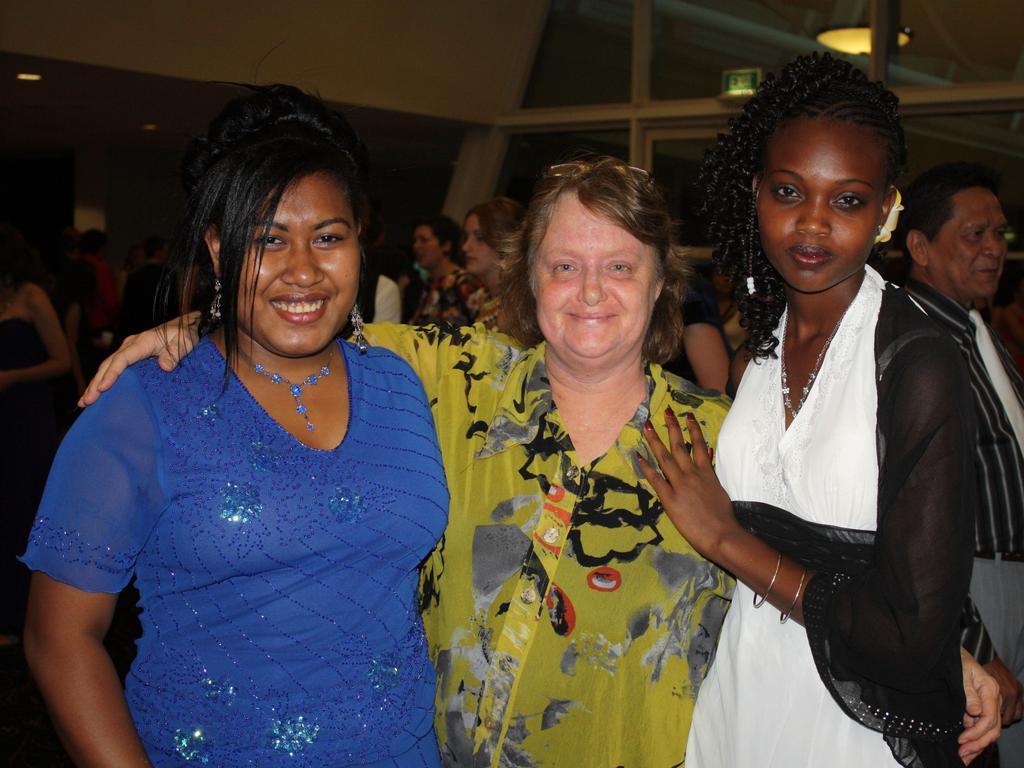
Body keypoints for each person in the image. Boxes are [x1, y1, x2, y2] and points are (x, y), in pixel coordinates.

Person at [82, 155, 1001, 767]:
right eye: (565, 266)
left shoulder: (724, 434)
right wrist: (192, 328)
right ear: (528, 280)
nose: (590, 293)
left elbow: (843, 547)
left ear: (660, 286)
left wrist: (959, 652)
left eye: (621, 268)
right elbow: (304, 315)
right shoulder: (445, 380)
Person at [21, 84, 448, 766]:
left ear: (360, 243)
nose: (303, 270)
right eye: (267, 240)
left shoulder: (401, 382)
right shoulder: (144, 405)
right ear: (218, 249)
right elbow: (58, 638)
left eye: (328, 237)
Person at [639, 54, 991, 767]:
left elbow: (908, 627)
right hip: (742, 695)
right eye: (789, 191)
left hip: (852, 725)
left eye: (848, 200)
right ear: (755, 192)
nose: (811, 224)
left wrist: (726, 539)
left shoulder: (917, 357)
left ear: (888, 211)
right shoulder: (757, 354)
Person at [903, 162, 1024, 760]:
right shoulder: (919, 343)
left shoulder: (979, 332)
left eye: (999, 234)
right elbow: (914, 520)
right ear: (920, 247)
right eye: (974, 234)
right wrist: (972, 635)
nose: (994, 250)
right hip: (971, 584)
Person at [0, 233, 68, 643]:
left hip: (25, 413)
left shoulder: (32, 297)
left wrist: (11, 378)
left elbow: (61, 359)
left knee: (20, 506)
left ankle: (18, 616)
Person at [461, 196, 524, 331]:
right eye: (466, 237)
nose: (465, 247)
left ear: (506, 241)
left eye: (479, 238)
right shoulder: (484, 297)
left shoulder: (519, 307)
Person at [409, 215, 486, 326]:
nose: (416, 246)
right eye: (415, 241)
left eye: (424, 240)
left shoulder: (464, 283)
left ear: (446, 245)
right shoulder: (428, 283)